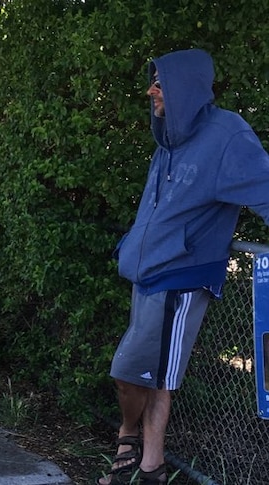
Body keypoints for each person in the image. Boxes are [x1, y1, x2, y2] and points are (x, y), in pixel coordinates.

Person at [100, 49, 269, 485]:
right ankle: (149, 464)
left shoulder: (227, 135)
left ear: (187, 87)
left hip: (182, 275)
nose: (151, 90)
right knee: (153, 374)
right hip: (146, 272)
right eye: (153, 81)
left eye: (160, 83)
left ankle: (130, 441)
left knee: (134, 373)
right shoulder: (167, 143)